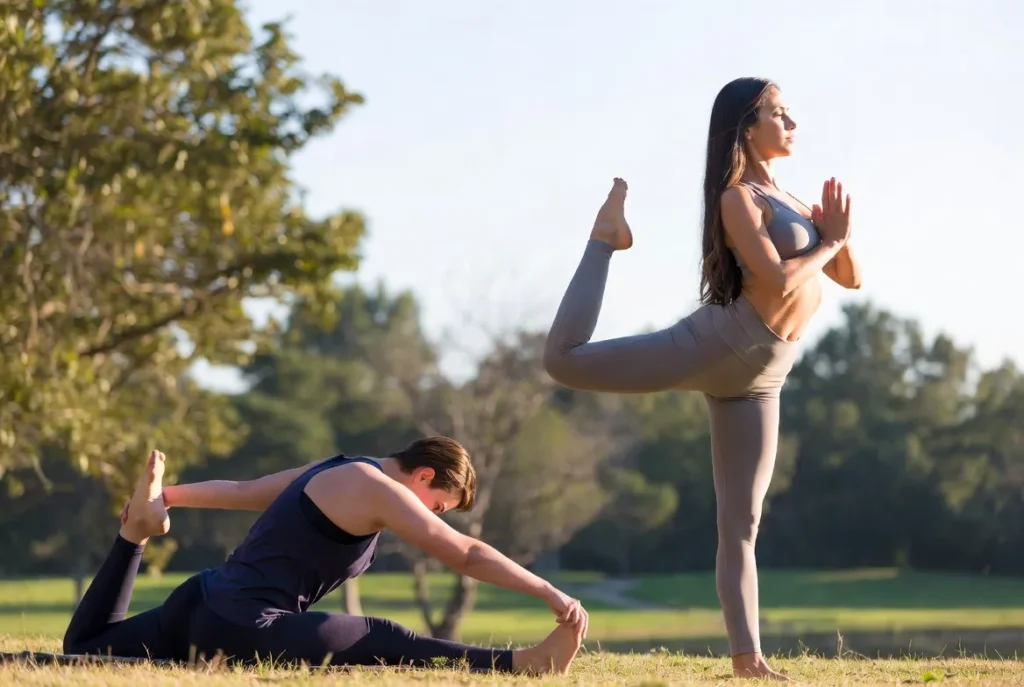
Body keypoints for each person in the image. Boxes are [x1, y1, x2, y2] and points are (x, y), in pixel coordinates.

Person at [542, 77, 862, 680]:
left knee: (741, 523)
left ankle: (749, 661)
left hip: (763, 377)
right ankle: (604, 240)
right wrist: (831, 242)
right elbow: (777, 280)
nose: (793, 123)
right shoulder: (737, 198)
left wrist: (836, 236)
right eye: (780, 114)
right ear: (747, 126)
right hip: (720, 343)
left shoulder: (790, 195)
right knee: (562, 361)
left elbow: (852, 278)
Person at [62, 439, 588, 675]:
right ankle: (523, 665)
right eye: (439, 506)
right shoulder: (377, 487)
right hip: (242, 627)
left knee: (83, 645)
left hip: (197, 602)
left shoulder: (340, 466)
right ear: (423, 476)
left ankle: (134, 536)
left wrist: (166, 497)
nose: (434, 517)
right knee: (382, 638)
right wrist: (547, 589)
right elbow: (466, 554)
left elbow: (248, 490)